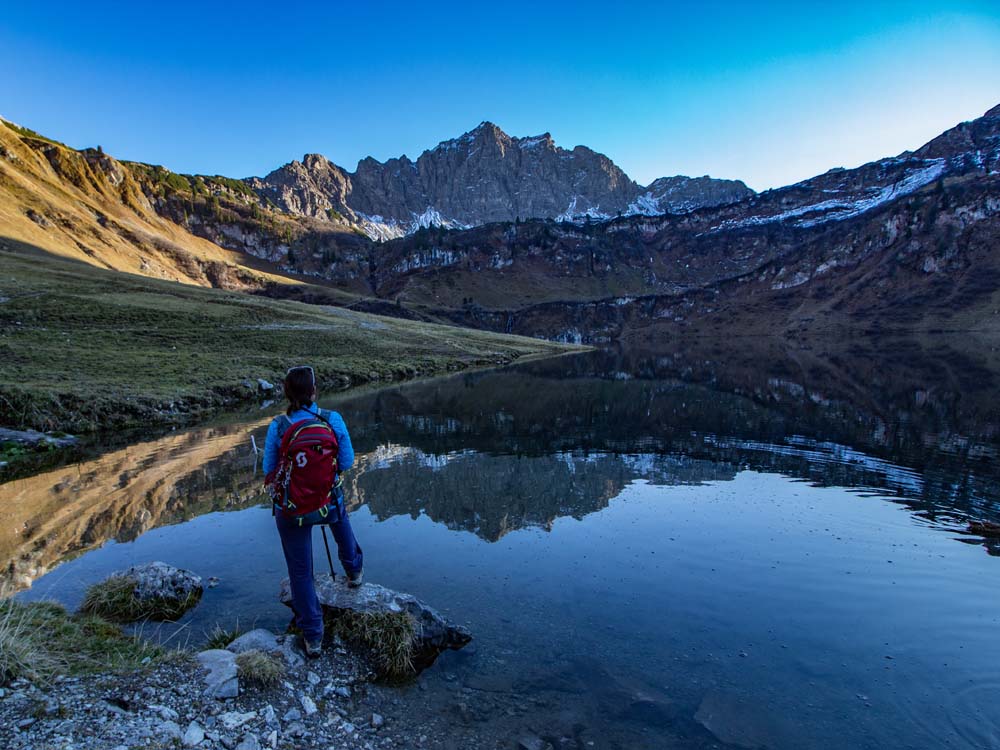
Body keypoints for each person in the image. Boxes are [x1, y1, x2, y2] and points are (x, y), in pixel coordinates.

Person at [263, 365, 363, 657]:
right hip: (327, 499)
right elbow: (345, 462)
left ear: (287, 393)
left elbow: (270, 470)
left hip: (291, 508)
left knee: (300, 571)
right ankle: (354, 571)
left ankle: (313, 637)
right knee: (339, 515)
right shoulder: (332, 419)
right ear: (314, 392)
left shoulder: (278, 426)